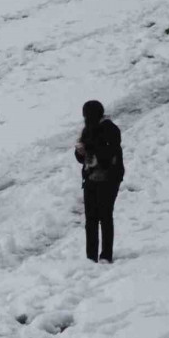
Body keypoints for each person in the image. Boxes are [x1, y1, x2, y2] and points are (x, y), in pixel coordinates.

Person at [74, 100, 125, 263]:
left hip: (109, 178)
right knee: (91, 218)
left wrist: (88, 149)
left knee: (105, 215)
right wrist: (80, 152)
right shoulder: (87, 130)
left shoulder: (110, 129)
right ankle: (91, 256)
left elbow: (110, 153)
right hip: (90, 177)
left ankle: (106, 255)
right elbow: (82, 158)